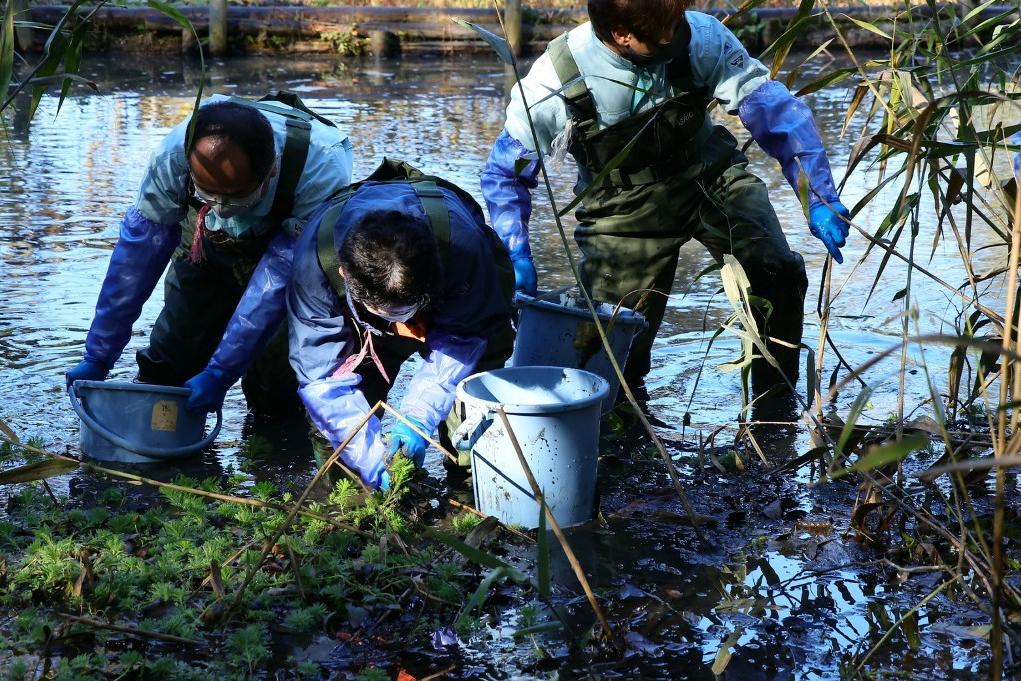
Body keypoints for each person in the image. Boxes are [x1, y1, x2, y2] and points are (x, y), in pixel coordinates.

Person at [481, 0, 851, 398]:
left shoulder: (701, 37)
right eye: (664, 34)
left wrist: (818, 195)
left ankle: (774, 406)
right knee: (612, 343)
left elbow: (775, 111)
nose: (678, 35)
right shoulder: (554, 82)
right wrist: (514, 253)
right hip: (620, 210)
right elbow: (505, 175)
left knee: (777, 272)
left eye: (677, 22)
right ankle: (627, 423)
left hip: (710, 174)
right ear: (622, 35)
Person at [65, 92, 354, 415]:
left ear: (270, 170)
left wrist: (222, 371)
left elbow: (277, 280)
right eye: (208, 193)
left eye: (233, 197)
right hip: (202, 240)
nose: (221, 208)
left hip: (289, 249)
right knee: (170, 359)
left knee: (276, 382)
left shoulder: (321, 167)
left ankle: (268, 456)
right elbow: (135, 259)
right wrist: (98, 355)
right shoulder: (173, 155)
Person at [287, 159, 515, 490]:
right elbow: (321, 375)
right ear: (344, 275)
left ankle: (472, 503)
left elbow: (463, 339)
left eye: (407, 309)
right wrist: (368, 455)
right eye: (388, 311)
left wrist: (417, 418)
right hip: (362, 328)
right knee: (339, 435)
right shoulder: (315, 261)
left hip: (465, 312)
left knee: (471, 424)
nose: (401, 321)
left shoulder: (463, 247)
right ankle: (350, 513)